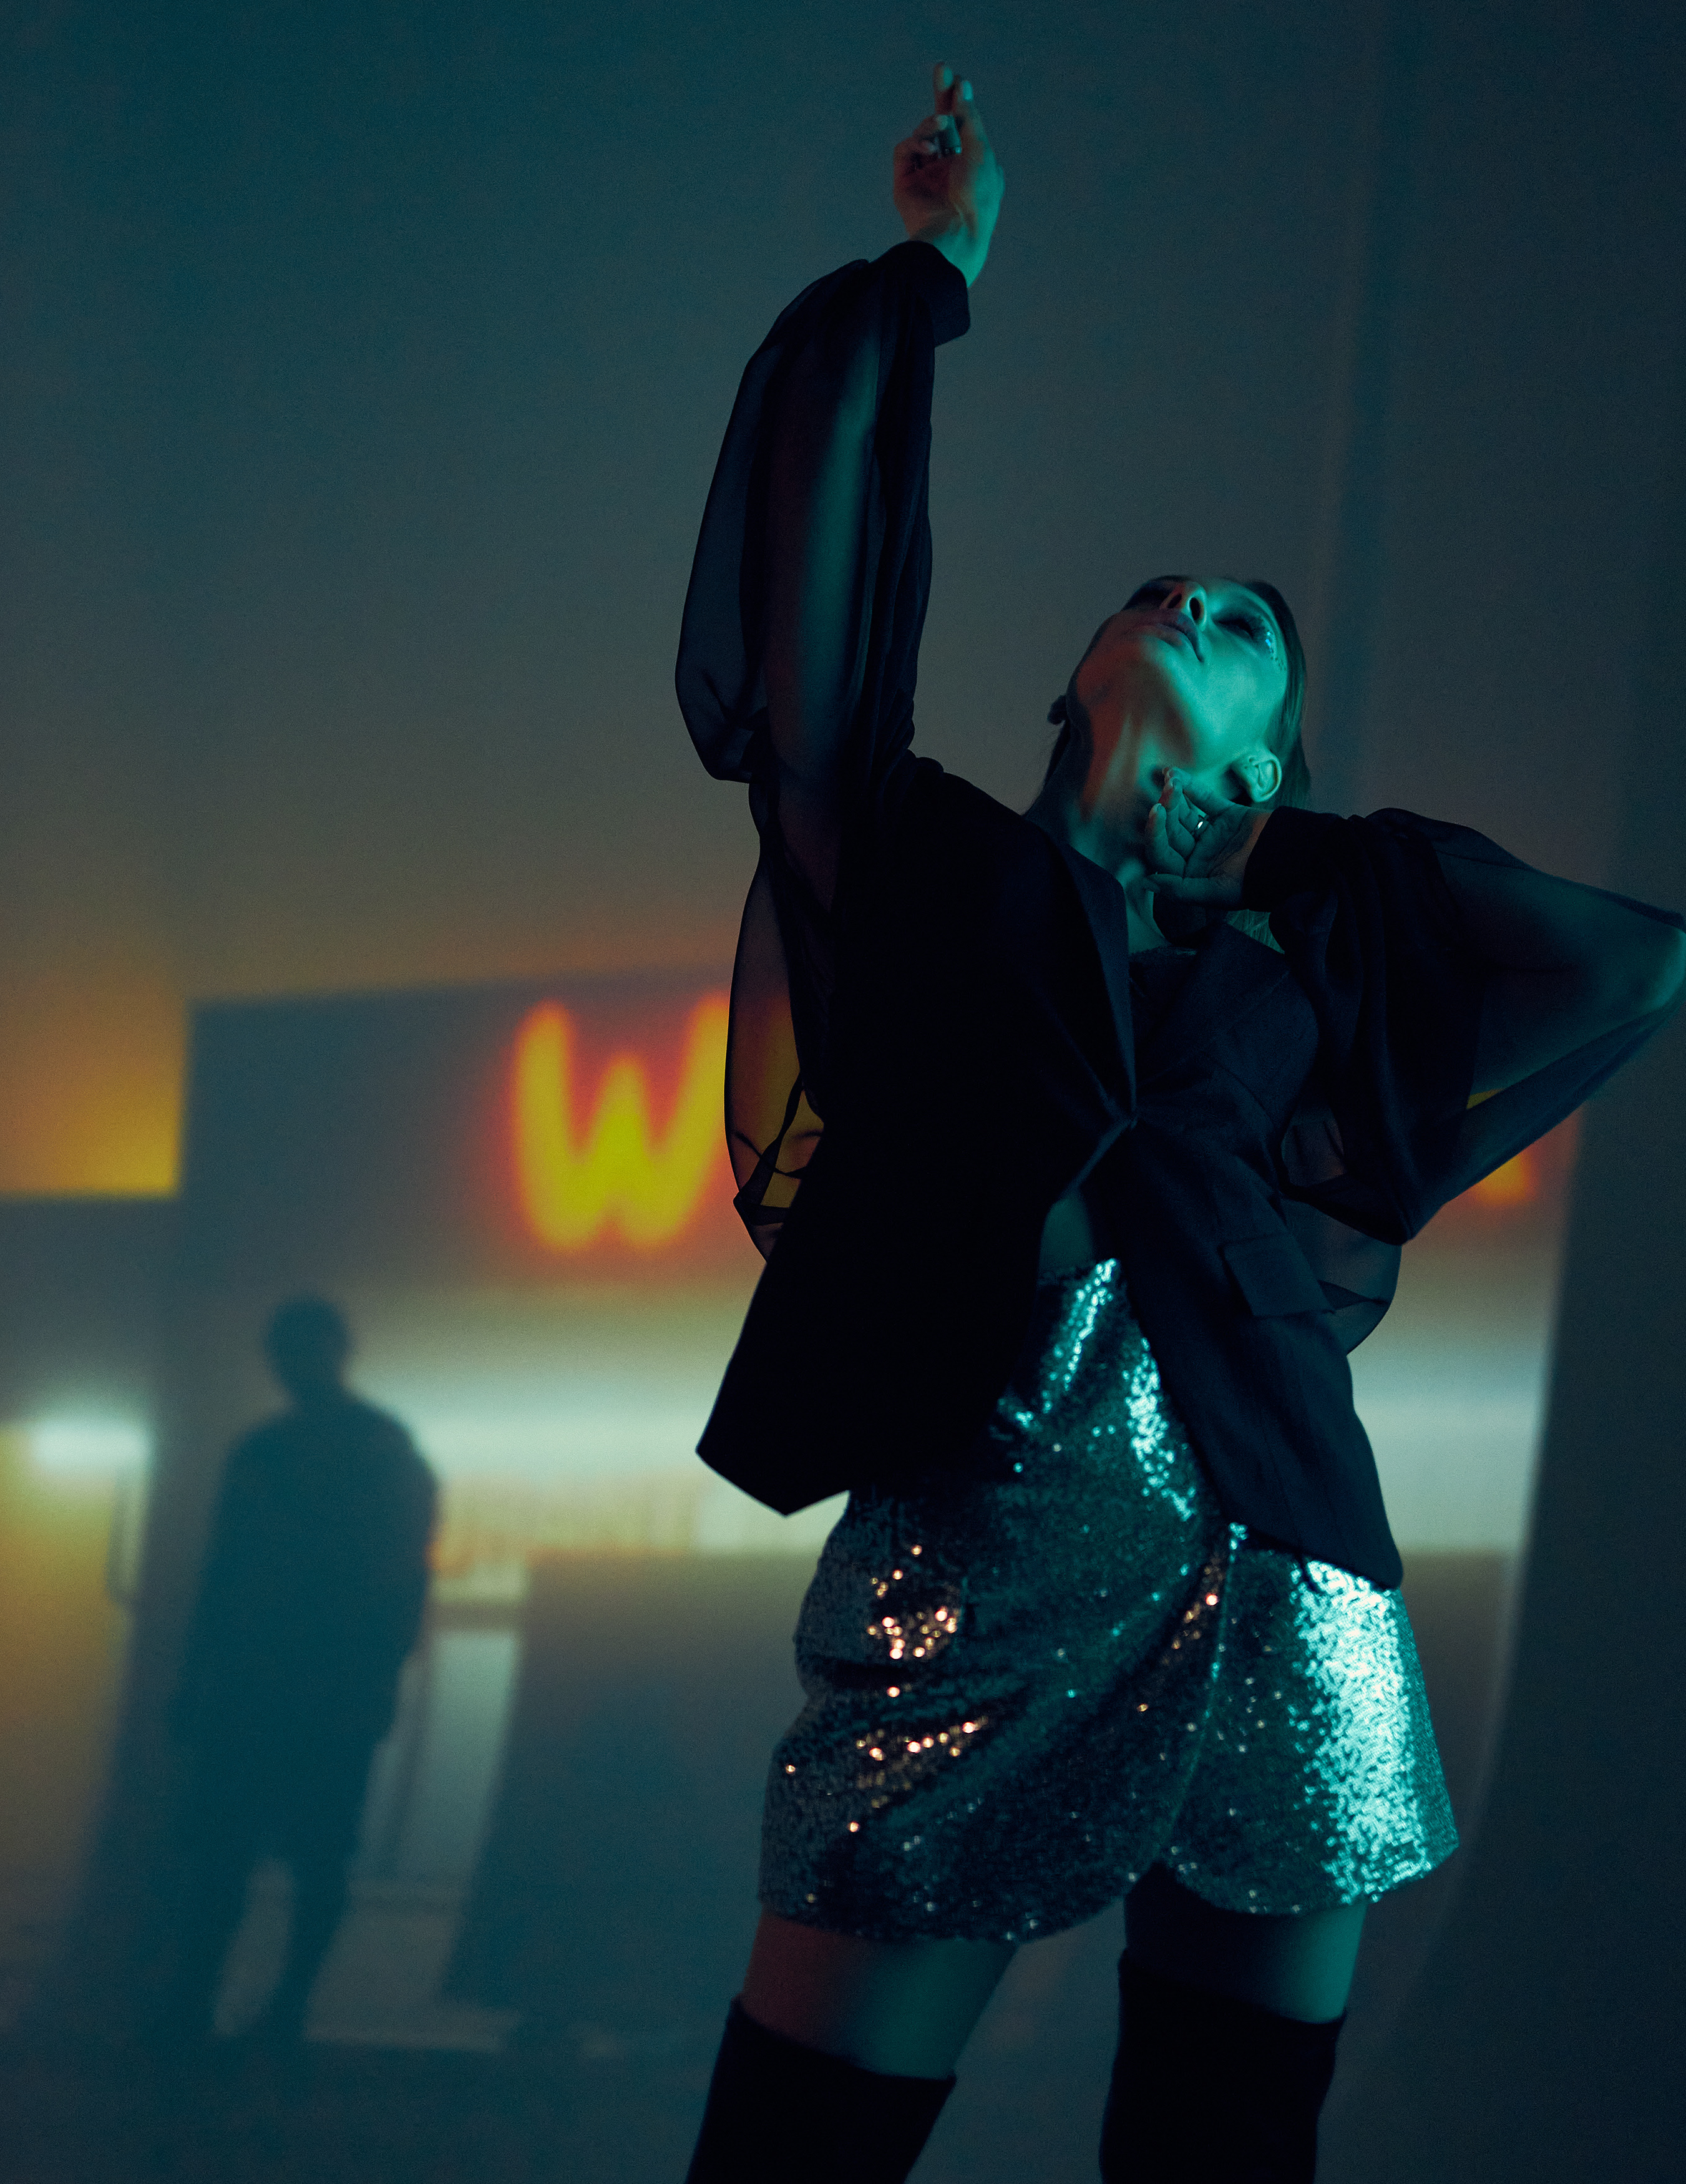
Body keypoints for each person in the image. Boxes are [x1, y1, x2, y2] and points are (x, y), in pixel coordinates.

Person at [672, 63, 1686, 2184]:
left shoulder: (1313, 950)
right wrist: (931, 278)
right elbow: (810, 630)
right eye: (1159, 601)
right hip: (987, 1569)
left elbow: (1634, 968)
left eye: (1245, 627)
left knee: (1230, 2147)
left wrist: (1273, 847)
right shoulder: (934, 868)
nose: (1193, 599)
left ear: (1274, 749)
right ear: (1076, 690)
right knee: (798, 2147)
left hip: (1292, 1568)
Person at [164, 1295, 436, 2047]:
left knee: (235, 1849)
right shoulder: (377, 1448)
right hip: (322, 1686)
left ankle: (205, 2000)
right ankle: (278, 2003)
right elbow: (402, 1577)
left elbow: (224, 1575)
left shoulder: (266, 1453)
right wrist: (381, 1677)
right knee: (310, 1852)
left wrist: (195, 1676)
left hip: (265, 1684)